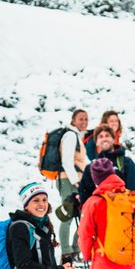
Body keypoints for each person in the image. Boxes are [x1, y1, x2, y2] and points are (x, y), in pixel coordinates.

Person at [78, 124, 135, 205]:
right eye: (101, 137)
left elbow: (134, 191)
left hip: (121, 212)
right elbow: (85, 195)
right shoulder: (90, 167)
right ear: (96, 142)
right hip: (98, 213)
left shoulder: (126, 162)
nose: (104, 139)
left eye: (107, 135)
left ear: (113, 139)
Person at [57, 108, 89, 257]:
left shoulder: (77, 137)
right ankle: (66, 251)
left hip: (74, 180)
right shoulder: (70, 136)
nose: (84, 122)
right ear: (73, 121)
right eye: (80, 119)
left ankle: (75, 248)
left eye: (86, 119)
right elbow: (66, 161)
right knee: (68, 215)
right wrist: (76, 182)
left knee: (82, 214)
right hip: (68, 180)